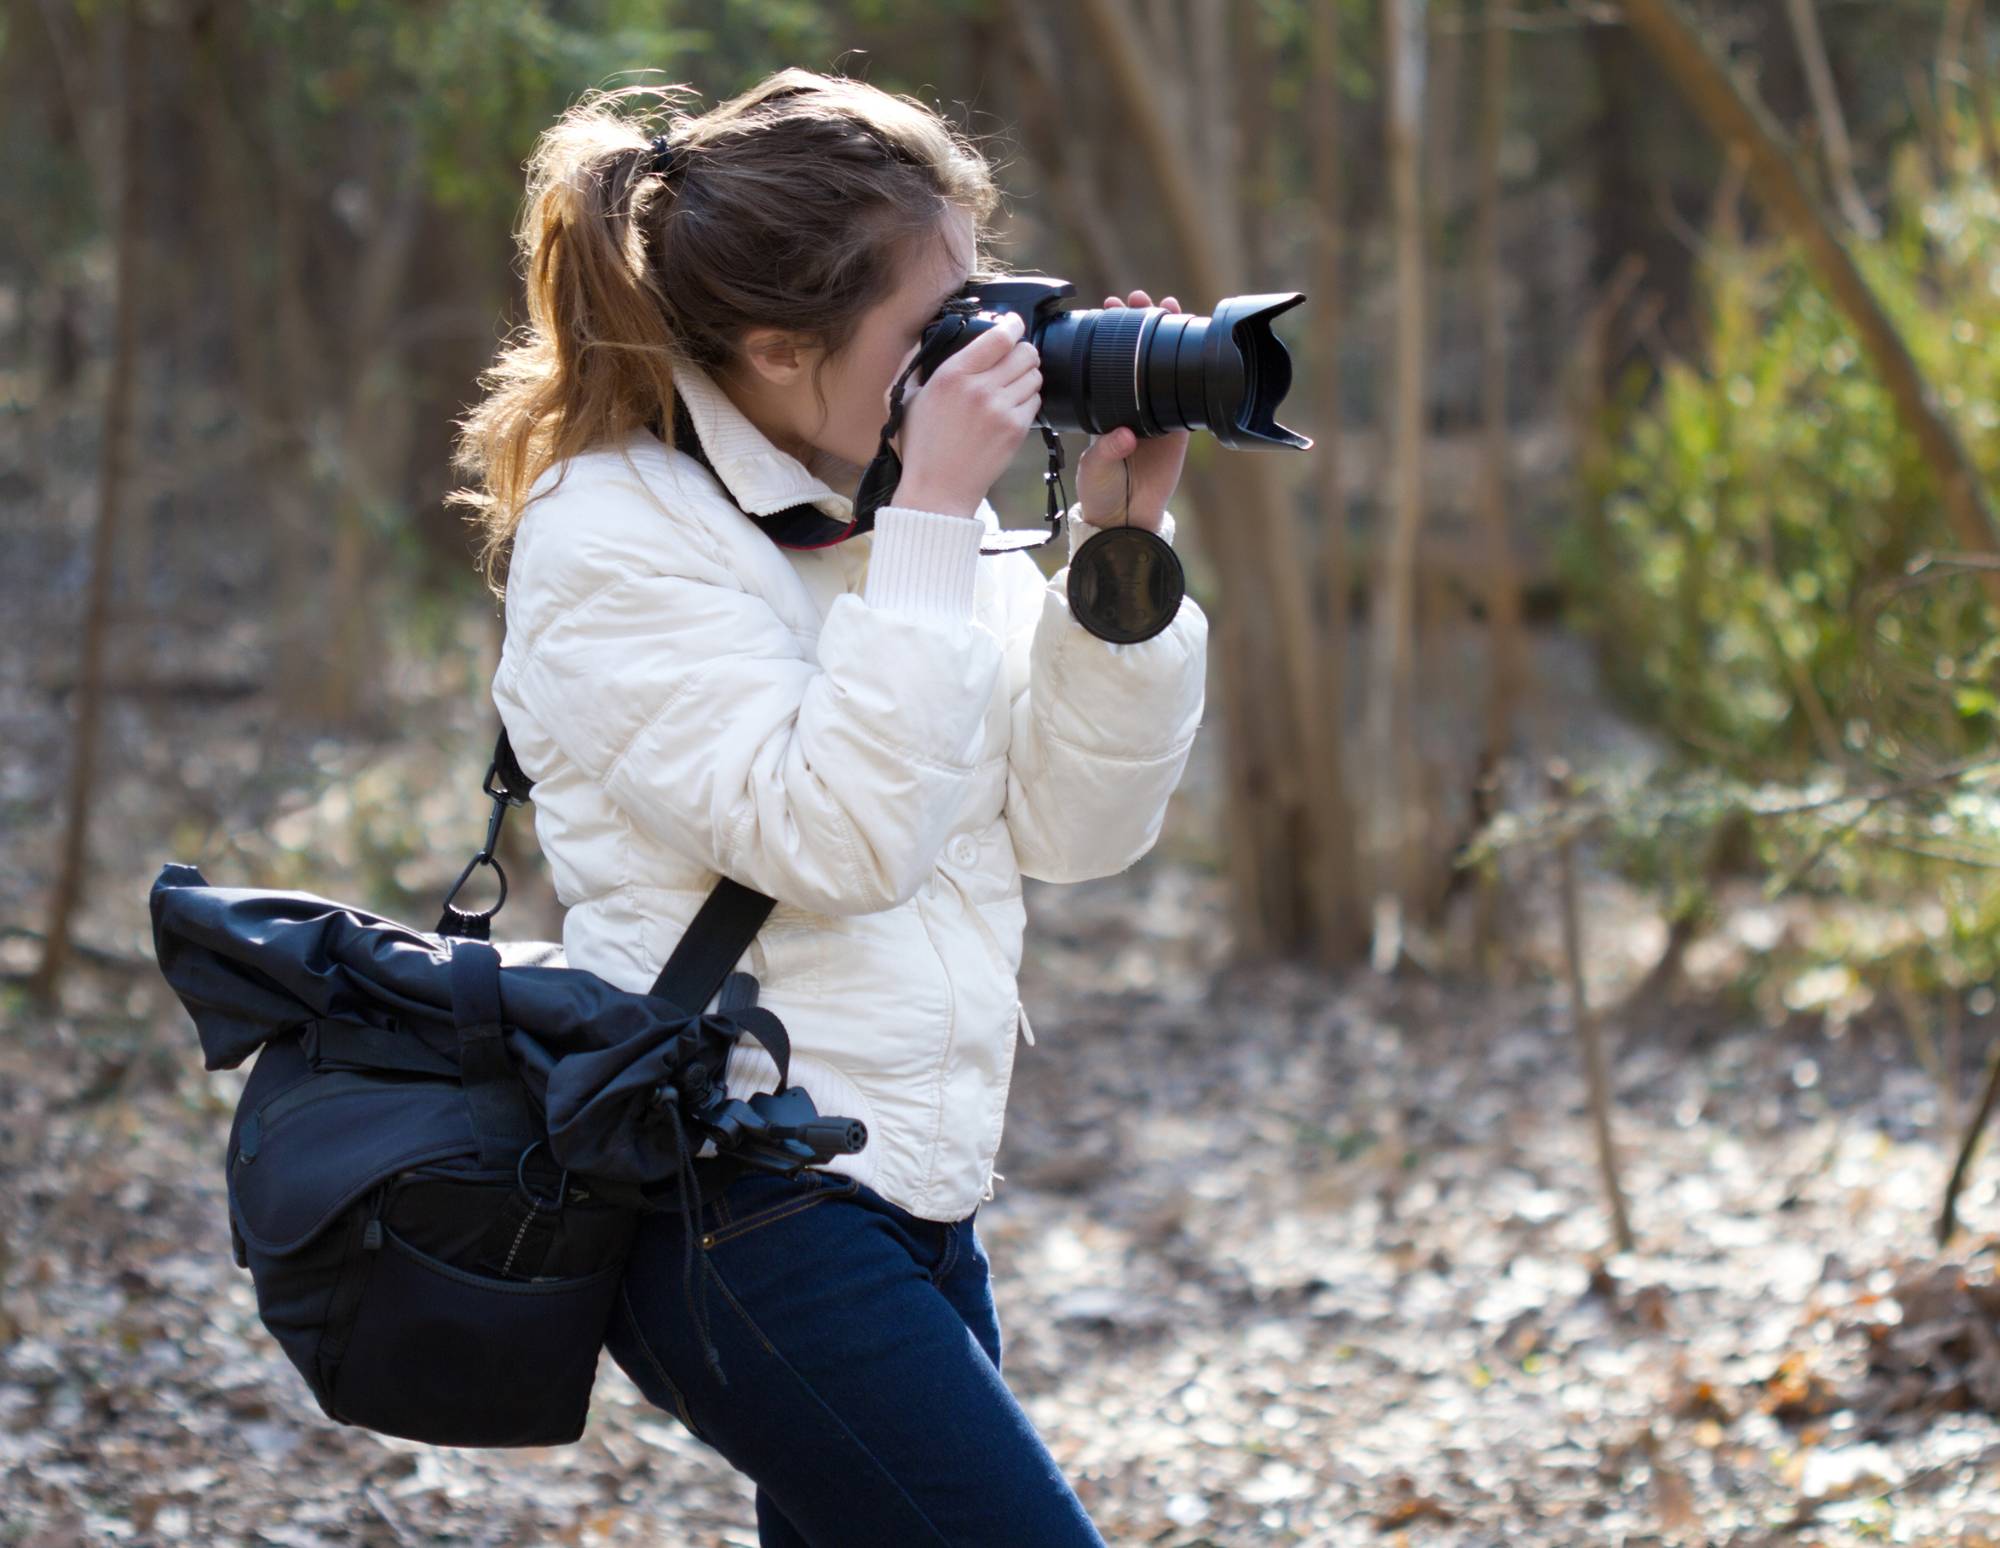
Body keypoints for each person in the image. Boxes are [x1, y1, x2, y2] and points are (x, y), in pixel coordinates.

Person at [451, 67, 1208, 1548]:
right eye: (934, 330)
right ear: (780, 350)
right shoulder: (616, 535)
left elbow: (1072, 834)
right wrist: (927, 518)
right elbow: (840, 842)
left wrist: (1123, 557)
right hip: (733, 1200)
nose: (982, 357)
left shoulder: (908, 505)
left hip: (919, 1184)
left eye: (981, 299)